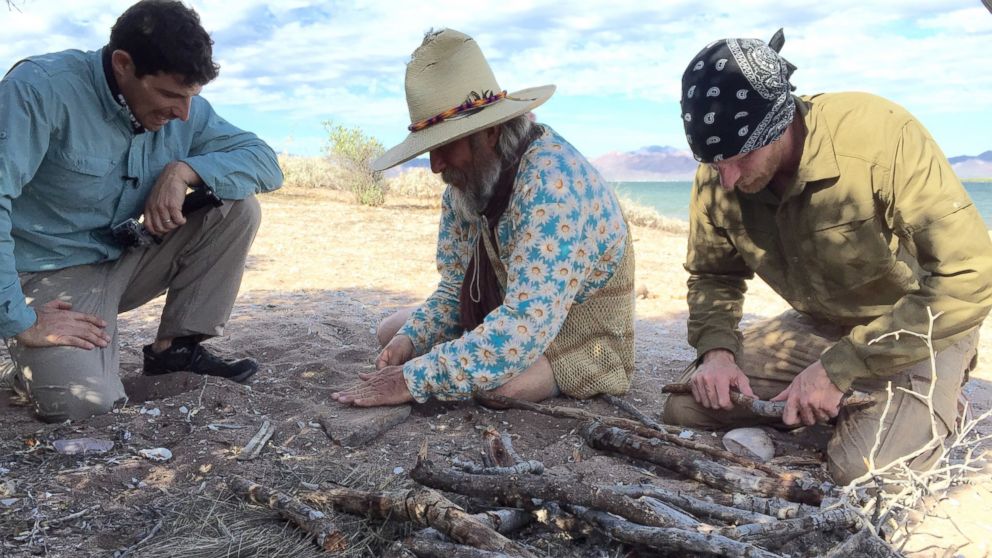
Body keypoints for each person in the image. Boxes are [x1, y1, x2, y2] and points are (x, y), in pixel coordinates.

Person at [662, 30, 992, 485]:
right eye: (714, 163)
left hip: (919, 325)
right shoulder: (721, 170)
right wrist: (717, 352)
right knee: (687, 406)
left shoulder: (880, 136)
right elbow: (713, 274)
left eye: (739, 160)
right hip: (822, 323)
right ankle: (850, 400)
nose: (728, 181)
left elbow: (970, 274)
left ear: (779, 124)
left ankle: (940, 398)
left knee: (861, 469)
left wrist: (841, 369)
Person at [0, 0, 283, 422]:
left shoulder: (186, 110)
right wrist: (20, 319)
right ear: (122, 64)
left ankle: (176, 351)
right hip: (50, 274)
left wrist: (185, 170)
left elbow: (265, 162)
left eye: (191, 97)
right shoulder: (39, 90)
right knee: (85, 405)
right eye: (170, 95)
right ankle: (28, 366)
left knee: (237, 208)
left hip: (127, 257)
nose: (182, 113)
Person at [332, 29, 635, 407]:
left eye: (444, 146)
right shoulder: (466, 185)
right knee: (391, 332)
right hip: (508, 312)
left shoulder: (552, 183)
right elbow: (455, 286)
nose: (435, 165)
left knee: (497, 388)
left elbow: (525, 325)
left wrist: (412, 379)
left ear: (489, 132)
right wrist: (410, 340)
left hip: (580, 335)